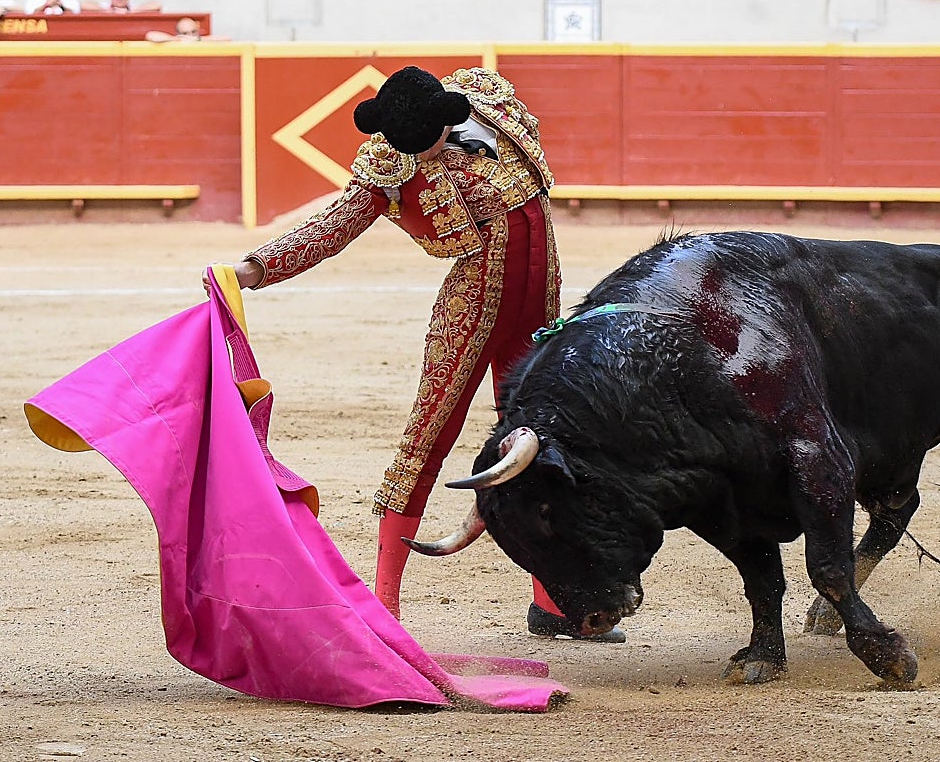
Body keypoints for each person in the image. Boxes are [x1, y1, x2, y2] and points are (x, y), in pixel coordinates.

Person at [206, 65, 626, 643]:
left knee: (541, 441)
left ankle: (553, 605)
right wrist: (256, 268)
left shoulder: (492, 104)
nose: (418, 155)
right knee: (428, 436)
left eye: (425, 143)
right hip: (473, 305)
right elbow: (332, 228)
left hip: (540, 300)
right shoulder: (390, 162)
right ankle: (384, 608)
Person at [145, 17, 229, 43]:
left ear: (198, 29)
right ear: (178, 33)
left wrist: (198, 39)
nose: (190, 36)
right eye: (185, 33)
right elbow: (150, 35)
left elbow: (227, 39)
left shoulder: (202, 40)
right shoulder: (177, 40)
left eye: (193, 32)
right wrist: (178, 39)